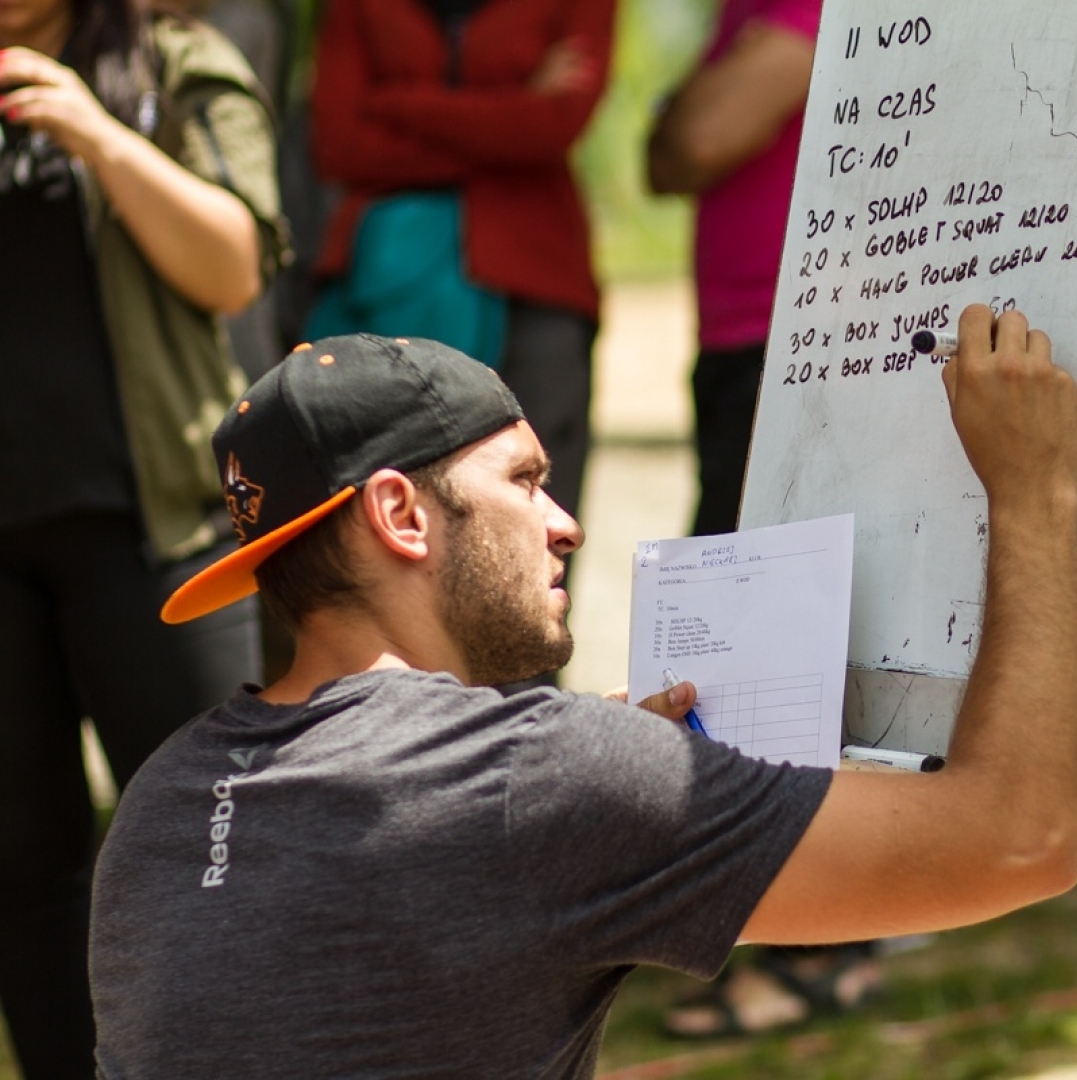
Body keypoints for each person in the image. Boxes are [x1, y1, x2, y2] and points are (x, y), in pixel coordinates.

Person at [87, 309, 1077, 1077]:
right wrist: (1032, 492)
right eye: (524, 481)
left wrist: (603, 798)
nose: (563, 523)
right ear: (401, 513)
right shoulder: (536, 780)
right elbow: (1018, 837)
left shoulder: (162, 800)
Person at [0, 0, 286, 1074]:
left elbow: (234, 264)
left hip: (157, 536)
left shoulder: (176, 62)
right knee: (23, 873)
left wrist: (94, 130)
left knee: (215, 853)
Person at [647, 0, 892, 1034]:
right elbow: (658, 156)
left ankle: (826, 948)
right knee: (747, 654)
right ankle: (791, 932)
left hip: (813, 344)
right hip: (751, 344)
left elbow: (694, 137)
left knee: (791, 657)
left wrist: (701, 101)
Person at [307, 0, 612, 527]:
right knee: (378, 525)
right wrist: (509, 111)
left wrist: (396, 104)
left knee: (534, 528)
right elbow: (339, 145)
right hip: (385, 288)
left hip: (533, 282)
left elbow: (551, 127)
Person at [647, 0, 818, 536]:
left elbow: (695, 140)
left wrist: (685, 105)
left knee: (738, 578)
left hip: (789, 342)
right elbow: (658, 162)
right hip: (737, 343)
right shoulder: (744, 10)